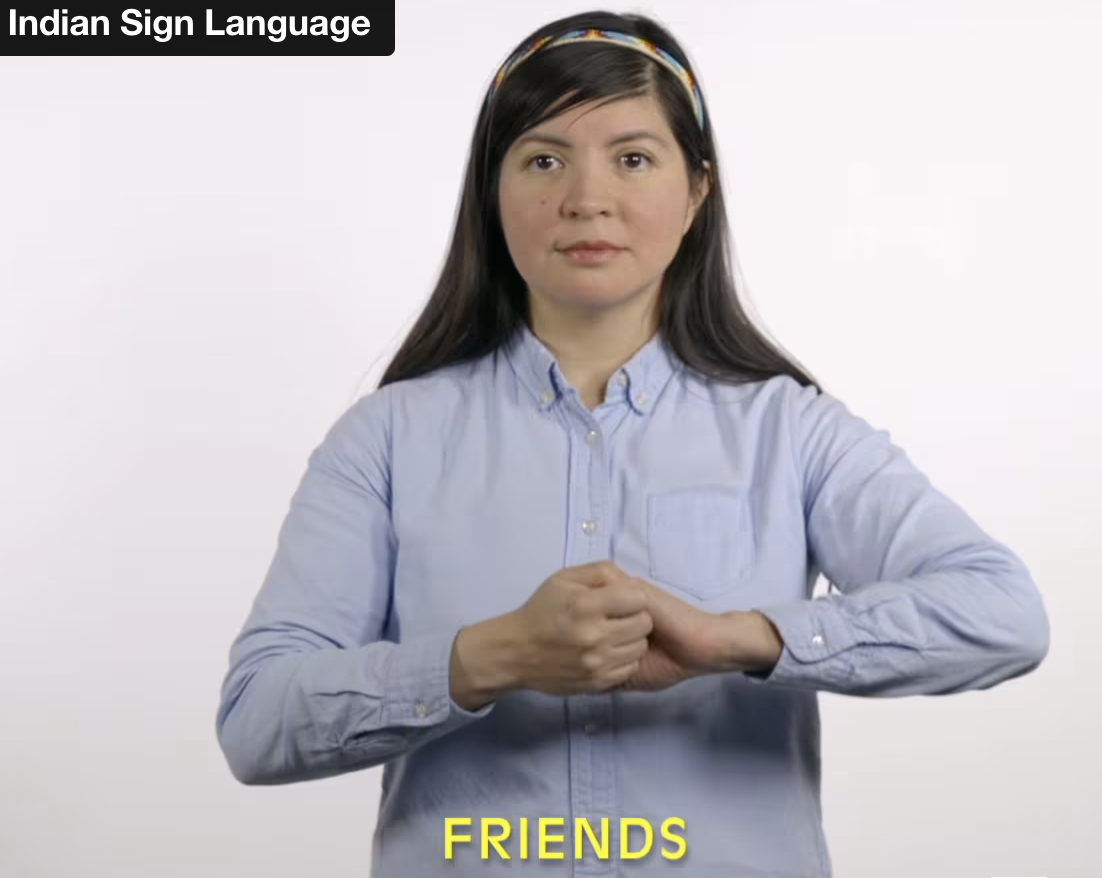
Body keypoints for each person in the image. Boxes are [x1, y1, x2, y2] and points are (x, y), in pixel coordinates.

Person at [214, 10, 1051, 877]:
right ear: (491, 191)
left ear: (696, 192)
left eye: (633, 157)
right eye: (544, 159)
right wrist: (490, 658)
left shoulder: (792, 431)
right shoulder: (385, 440)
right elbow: (255, 720)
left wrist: (739, 639)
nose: (586, 198)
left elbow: (1003, 615)